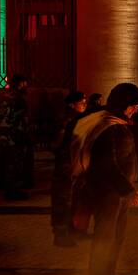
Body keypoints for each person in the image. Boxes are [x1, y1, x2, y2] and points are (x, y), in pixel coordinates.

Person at [71, 83, 138, 275]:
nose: (135, 109)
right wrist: (127, 190)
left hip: (118, 194)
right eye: (133, 105)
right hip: (107, 194)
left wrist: (128, 188)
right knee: (105, 239)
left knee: (115, 239)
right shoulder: (108, 127)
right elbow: (107, 164)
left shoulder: (117, 123)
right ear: (124, 104)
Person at [51, 91, 88, 246]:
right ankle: (60, 234)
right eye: (81, 102)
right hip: (66, 166)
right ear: (72, 105)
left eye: (85, 102)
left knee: (75, 199)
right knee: (63, 200)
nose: (84, 105)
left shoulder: (79, 119)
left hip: (76, 164)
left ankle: (72, 229)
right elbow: (55, 144)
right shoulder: (65, 121)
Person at [0, 74, 32, 200]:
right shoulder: (17, 99)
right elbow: (20, 119)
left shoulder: (7, 97)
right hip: (15, 135)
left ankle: (10, 188)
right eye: (25, 83)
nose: (26, 86)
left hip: (7, 134)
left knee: (9, 162)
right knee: (14, 163)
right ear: (20, 84)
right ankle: (12, 191)